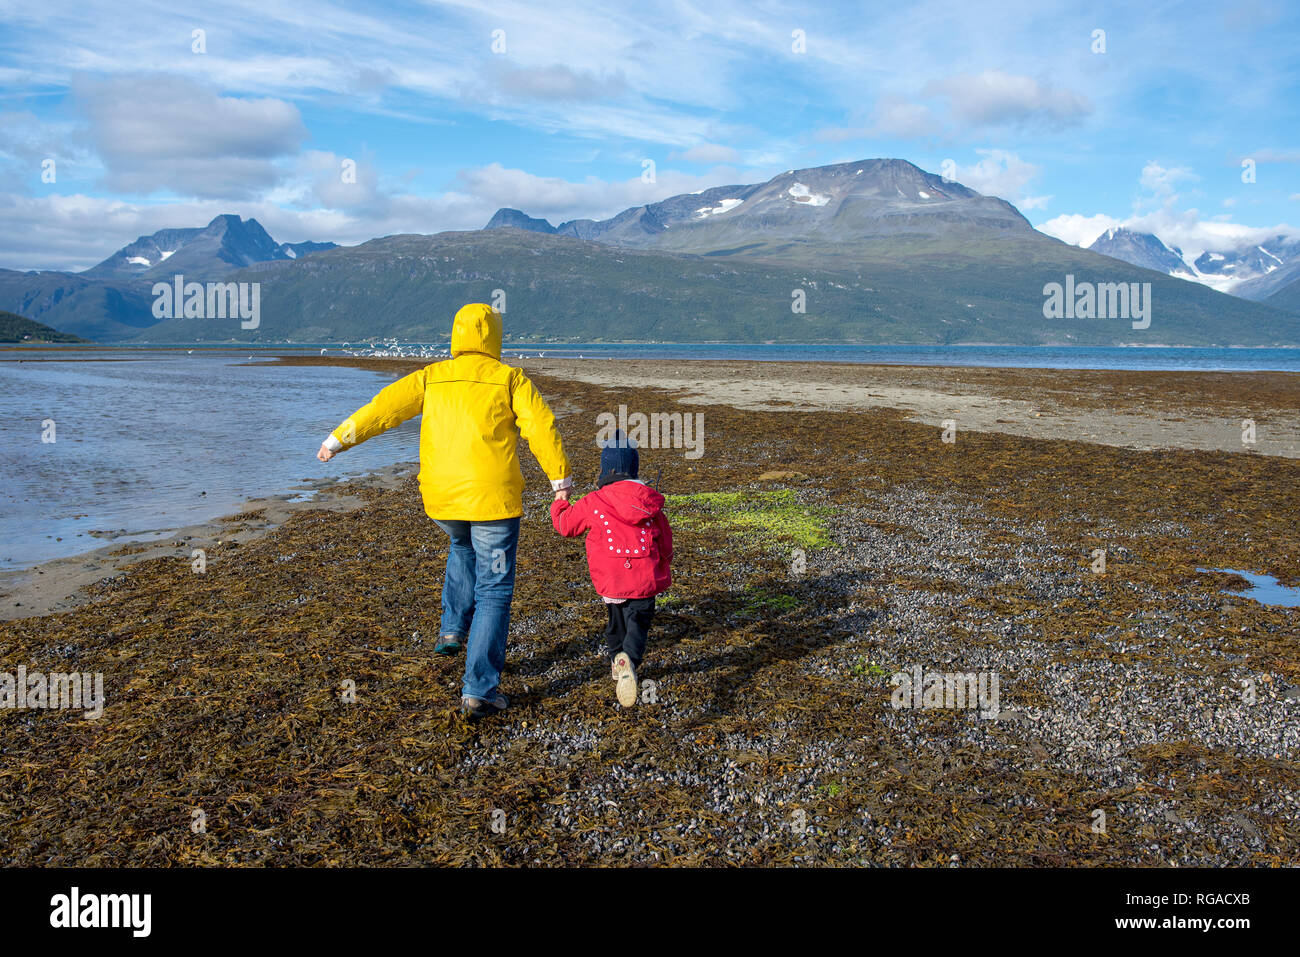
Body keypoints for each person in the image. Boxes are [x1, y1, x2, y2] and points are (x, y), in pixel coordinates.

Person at [316, 303, 571, 719]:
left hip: (442, 499)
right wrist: (559, 480)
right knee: (495, 590)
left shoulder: (431, 377)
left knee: (461, 545)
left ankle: (452, 629)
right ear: (495, 337)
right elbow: (542, 426)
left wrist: (337, 440)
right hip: (493, 503)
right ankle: (479, 690)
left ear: (456, 336)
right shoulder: (509, 379)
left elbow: (383, 410)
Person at [550, 431, 672, 707]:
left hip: (611, 580)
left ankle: (618, 660)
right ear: (634, 469)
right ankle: (628, 658)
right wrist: (665, 559)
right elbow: (664, 537)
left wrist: (560, 501)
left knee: (615, 620)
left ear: (604, 469)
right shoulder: (649, 502)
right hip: (643, 578)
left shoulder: (594, 501)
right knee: (638, 624)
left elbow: (565, 526)